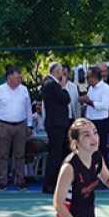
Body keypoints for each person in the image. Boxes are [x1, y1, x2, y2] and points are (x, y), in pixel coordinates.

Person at [0, 66, 33, 190]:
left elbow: (28, 108)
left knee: (20, 154)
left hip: (21, 124)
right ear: (9, 78)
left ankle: (20, 180)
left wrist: (29, 125)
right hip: (3, 125)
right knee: (3, 155)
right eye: (17, 77)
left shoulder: (24, 89)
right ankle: (2, 181)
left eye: (20, 77)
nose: (20, 79)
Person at [41, 62, 71, 193]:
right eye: (60, 70)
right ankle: (50, 184)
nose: (62, 73)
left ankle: (54, 183)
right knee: (55, 155)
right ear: (54, 71)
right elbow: (65, 99)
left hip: (58, 124)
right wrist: (63, 87)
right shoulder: (52, 85)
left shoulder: (51, 84)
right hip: (56, 125)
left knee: (58, 154)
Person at [79, 67, 109, 162]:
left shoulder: (106, 88)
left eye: (88, 77)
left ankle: (103, 172)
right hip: (90, 121)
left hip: (101, 122)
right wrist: (83, 101)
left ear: (94, 77)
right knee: (90, 148)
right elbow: (89, 102)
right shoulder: (90, 88)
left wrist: (89, 101)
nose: (86, 79)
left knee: (101, 148)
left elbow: (104, 106)